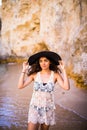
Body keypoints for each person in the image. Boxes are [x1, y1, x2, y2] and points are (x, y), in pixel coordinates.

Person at [17, 50, 70, 130]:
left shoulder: (55, 75)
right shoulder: (34, 74)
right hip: (34, 109)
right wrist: (24, 70)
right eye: (41, 61)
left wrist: (63, 70)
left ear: (50, 62)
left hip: (48, 109)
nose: (43, 63)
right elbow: (20, 86)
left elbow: (66, 87)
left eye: (46, 60)